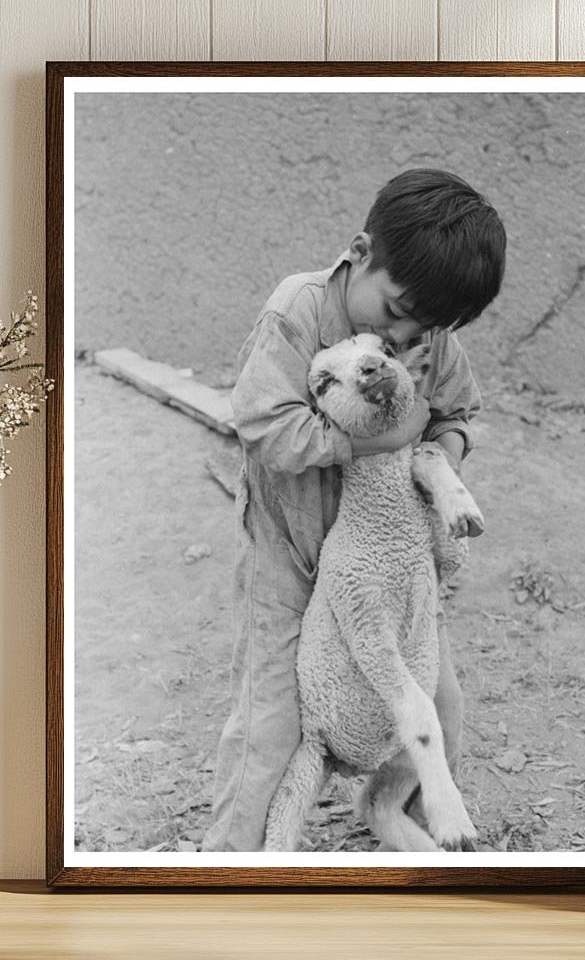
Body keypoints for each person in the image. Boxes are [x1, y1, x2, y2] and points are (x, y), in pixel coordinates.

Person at [202, 167, 507, 852]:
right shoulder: (299, 310)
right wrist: (380, 436)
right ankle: (229, 868)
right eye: (395, 310)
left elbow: (461, 412)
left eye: (424, 326)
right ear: (359, 252)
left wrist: (438, 460)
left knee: (441, 707)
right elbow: (265, 426)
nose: (403, 335)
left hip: (387, 564)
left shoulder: (428, 336)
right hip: (292, 554)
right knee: (271, 723)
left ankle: (420, 834)